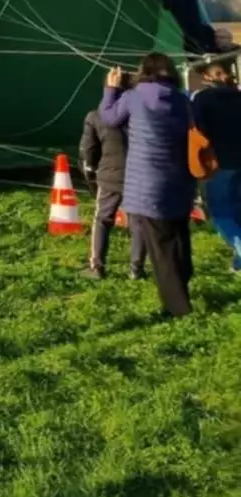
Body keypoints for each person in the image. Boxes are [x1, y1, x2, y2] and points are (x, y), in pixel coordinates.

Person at [99, 54, 196, 317]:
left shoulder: (135, 97)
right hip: (181, 180)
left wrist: (111, 89)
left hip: (149, 184)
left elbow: (109, 118)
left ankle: (178, 307)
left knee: (162, 249)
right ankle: (183, 283)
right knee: (179, 238)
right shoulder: (182, 99)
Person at [79, 100, 145, 279]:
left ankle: (97, 266)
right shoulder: (140, 115)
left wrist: (90, 168)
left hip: (110, 175)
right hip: (139, 174)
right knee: (138, 223)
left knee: (102, 219)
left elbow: (88, 149)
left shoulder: (96, 116)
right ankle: (136, 269)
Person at [191, 58, 241, 273]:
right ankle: (239, 263)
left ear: (207, 77)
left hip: (219, 162)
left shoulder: (203, 99)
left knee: (220, 212)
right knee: (238, 209)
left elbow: (198, 131)